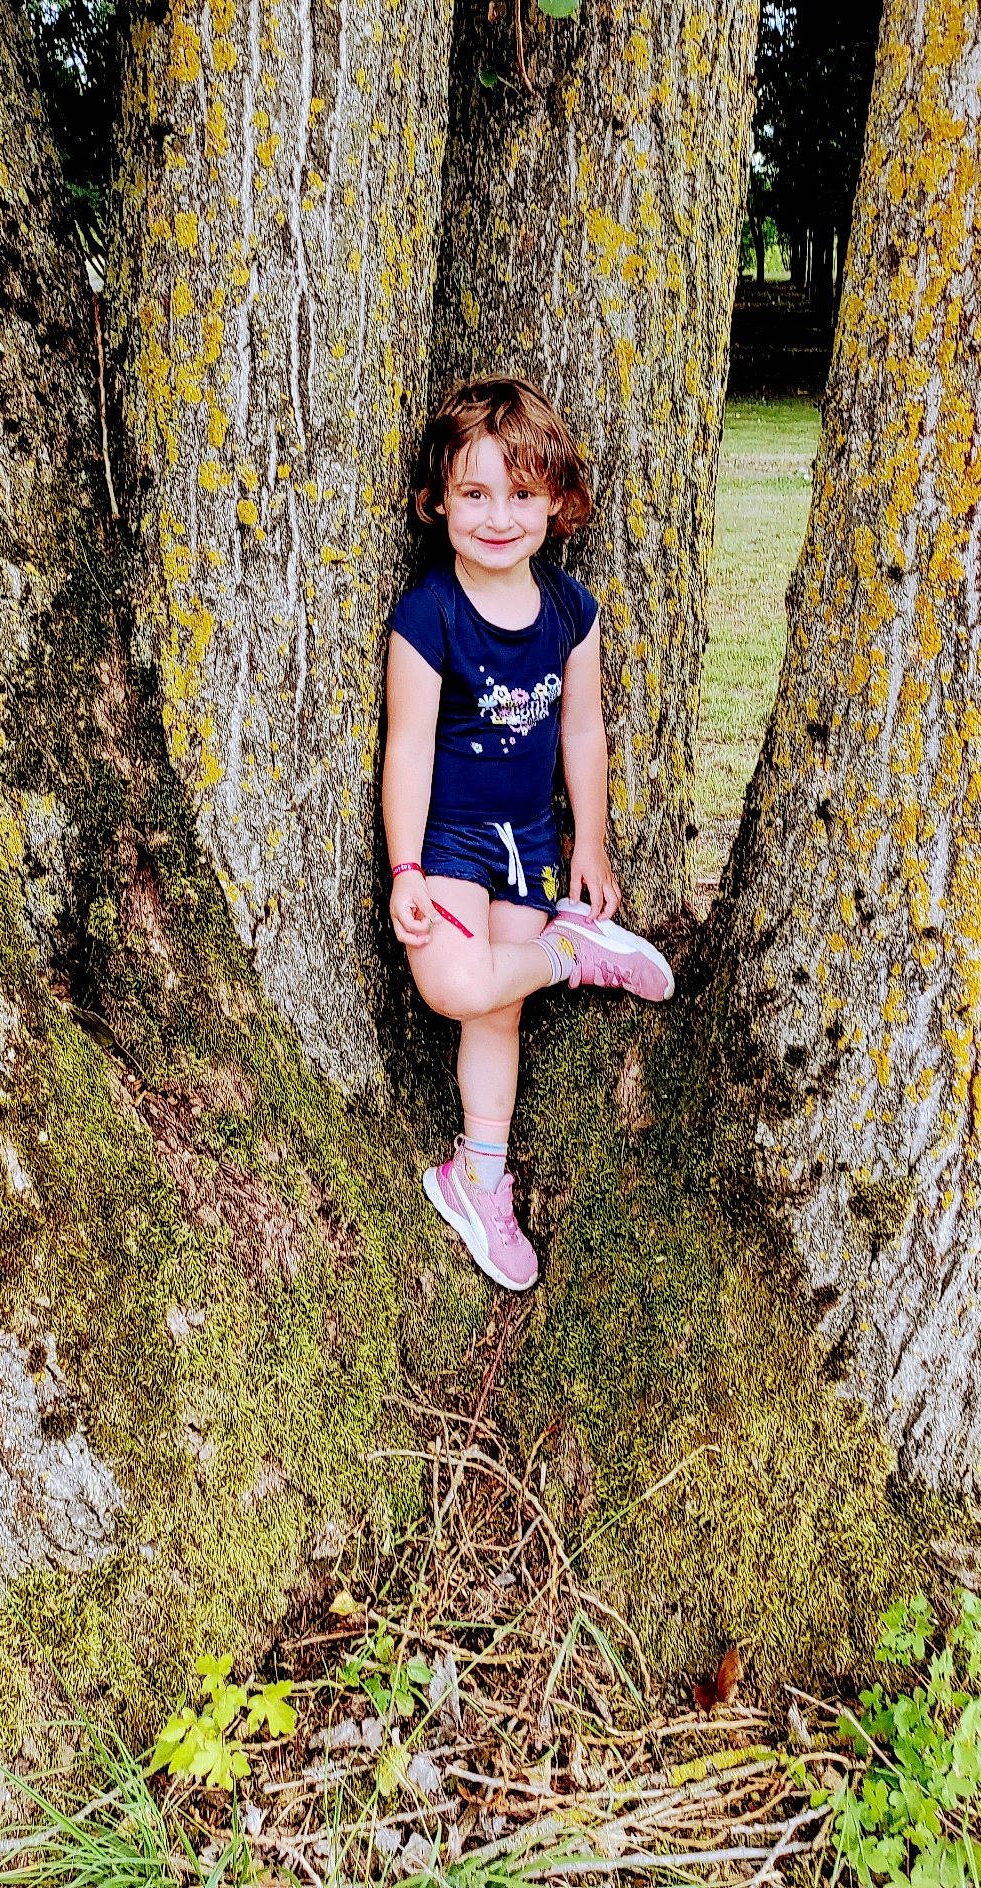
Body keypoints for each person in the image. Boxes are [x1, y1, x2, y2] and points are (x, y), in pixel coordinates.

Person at [383, 376, 674, 1293]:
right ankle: (575, 956)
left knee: (496, 1011)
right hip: (454, 843)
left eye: (521, 493)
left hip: (534, 841)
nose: (499, 517)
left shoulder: (569, 611)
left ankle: (478, 1177)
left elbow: (583, 731)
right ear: (439, 500)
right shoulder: (428, 615)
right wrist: (405, 866)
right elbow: (407, 747)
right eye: (474, 493)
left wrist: (591, 842)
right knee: (454, 984)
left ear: (557, 502)